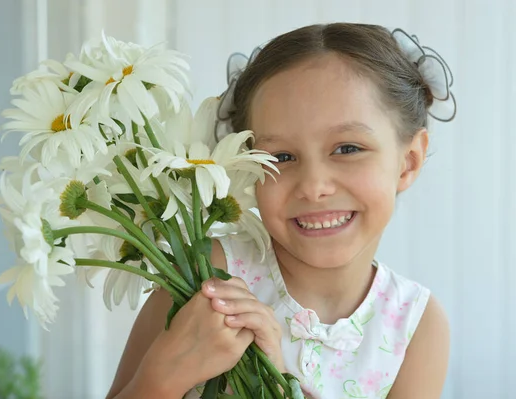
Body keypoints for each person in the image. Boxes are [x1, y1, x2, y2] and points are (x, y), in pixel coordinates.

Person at [105, 22, 454, 399]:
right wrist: (165, 373)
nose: (314, 187)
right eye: (281, 157)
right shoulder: (205, 277)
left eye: (348, 148)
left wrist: (278, 381)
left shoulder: (415, 324)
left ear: (408, 161)